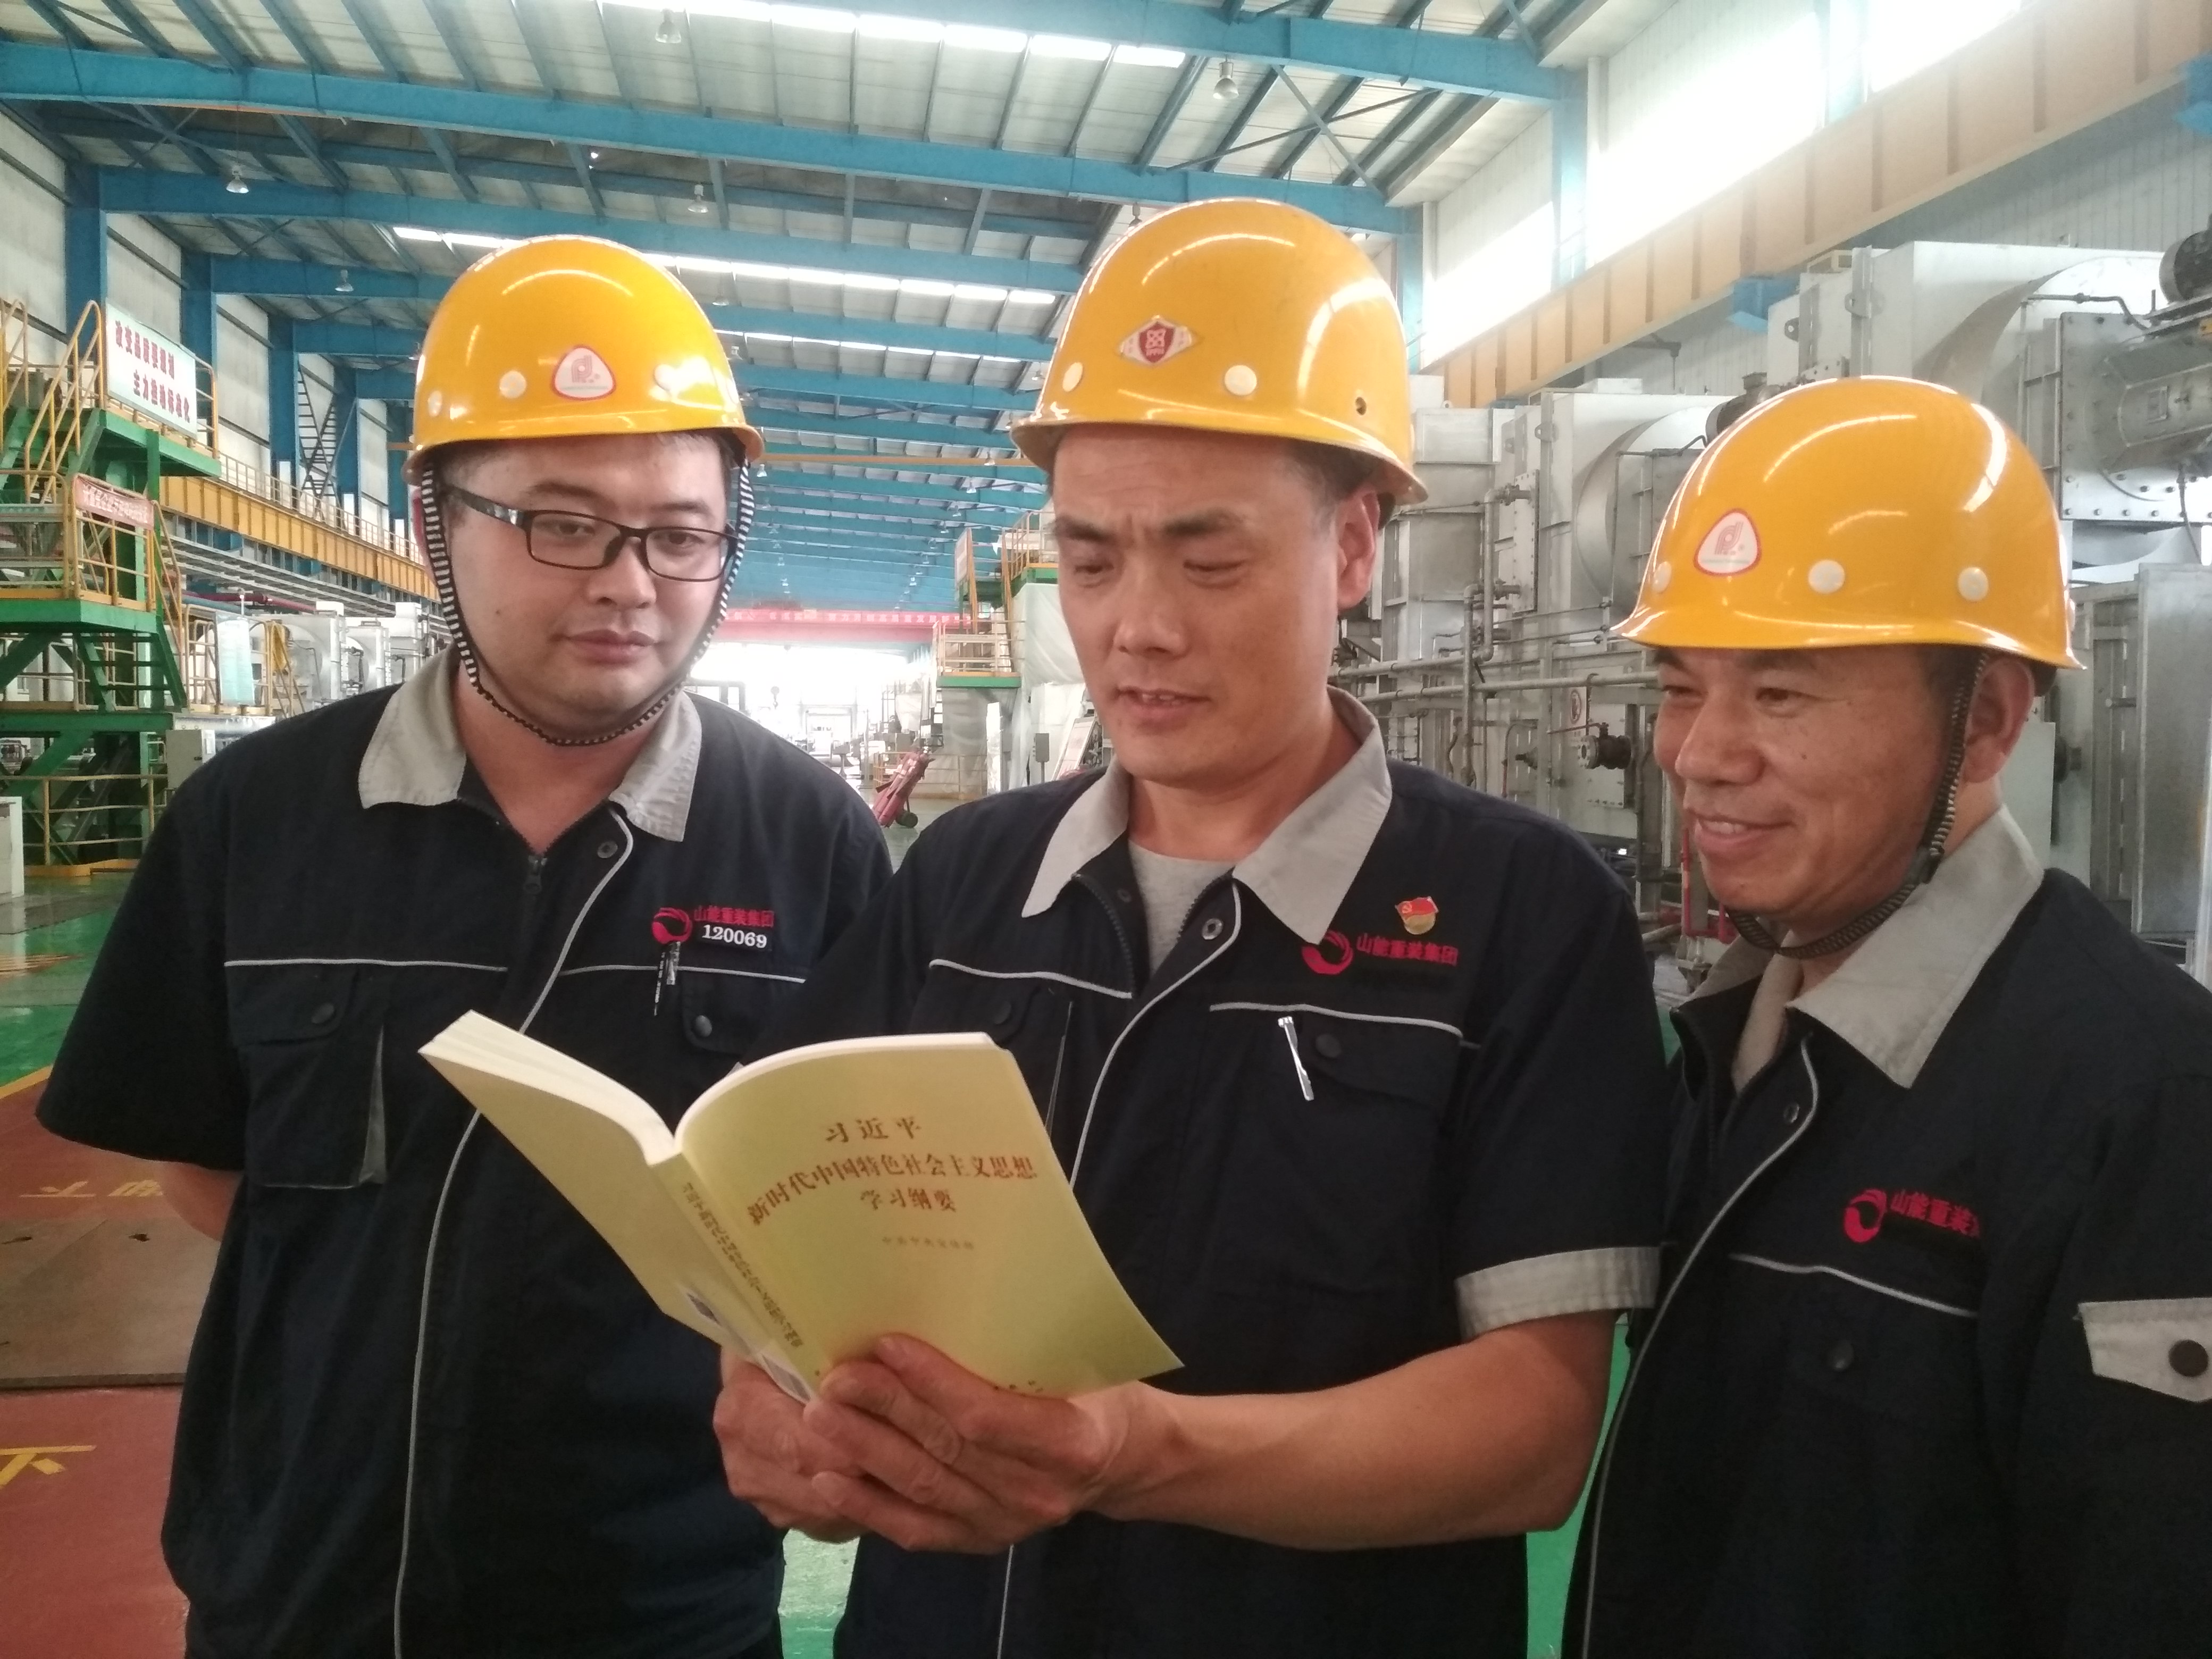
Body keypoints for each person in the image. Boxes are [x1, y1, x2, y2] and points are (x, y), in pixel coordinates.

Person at [711, 197, 1670, 1659]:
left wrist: (1136, 1453)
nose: (1137, 627)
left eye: (1208, 562)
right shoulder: (965, 885)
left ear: (1354, 546)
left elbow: (1531, 1432)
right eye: (1091, 561)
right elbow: (783, 1249)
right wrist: (773, 1405)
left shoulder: (1520, 918)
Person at [37, 237, 891, 1658]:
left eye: (680, 536)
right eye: (563, 524)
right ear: (439, 518)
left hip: (656, 1600)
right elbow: (201, 1163)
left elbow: (853, 1220)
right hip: (301, 1578)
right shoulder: (258, 819)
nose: (630, 582)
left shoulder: (808, 843)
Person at [1570, 375, 2212, 1658]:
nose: (1699, 754)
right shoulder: (1732, 1039)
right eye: (1683, 687)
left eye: (1781, 693)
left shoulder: (2141, 1105)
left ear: (1984, 723)